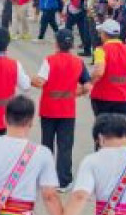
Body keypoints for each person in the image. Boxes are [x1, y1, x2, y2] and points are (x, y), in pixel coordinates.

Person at [31, 29, 89, 189]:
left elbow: (40, 82)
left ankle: (45, 178)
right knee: (65, 145)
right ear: (71, 45)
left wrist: (30, 80)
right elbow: (87, 85)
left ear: (56, 43)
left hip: (48, 109)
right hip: (67, 110)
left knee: (47, 144)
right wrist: (76, 93)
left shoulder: (49, 60)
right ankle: (64, 180)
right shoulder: (78, 62)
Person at [89, 18, 126, 119]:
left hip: (103, 97)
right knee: (119, 130)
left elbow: (99, 72)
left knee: (104, 129)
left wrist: (89, 82)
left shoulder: (101, 50)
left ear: (104, 34)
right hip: (123, 96)